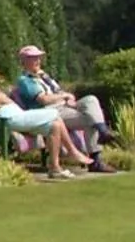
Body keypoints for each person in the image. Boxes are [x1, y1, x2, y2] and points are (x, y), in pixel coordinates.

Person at [0, 54, 93, 179]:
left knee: (54, 126)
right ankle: (72, 151)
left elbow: (3, 99)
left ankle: (55, 168)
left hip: (17, 115)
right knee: (55, 113)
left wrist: (4, 99)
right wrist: (4, 99)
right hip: (7, 119)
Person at [12, 45, 117, 173]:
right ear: (24, 61)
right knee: (91, 119)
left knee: (91, 100)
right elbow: (44, 100)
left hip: (64, 106)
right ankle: (96, 159)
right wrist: (64, 96)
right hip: (50, 111)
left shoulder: (44, 77)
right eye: (33, 58)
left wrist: (68, 98)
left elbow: (58, 91)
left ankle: (102, 130)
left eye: (38, 57)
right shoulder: (25, 80)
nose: (38, 61)